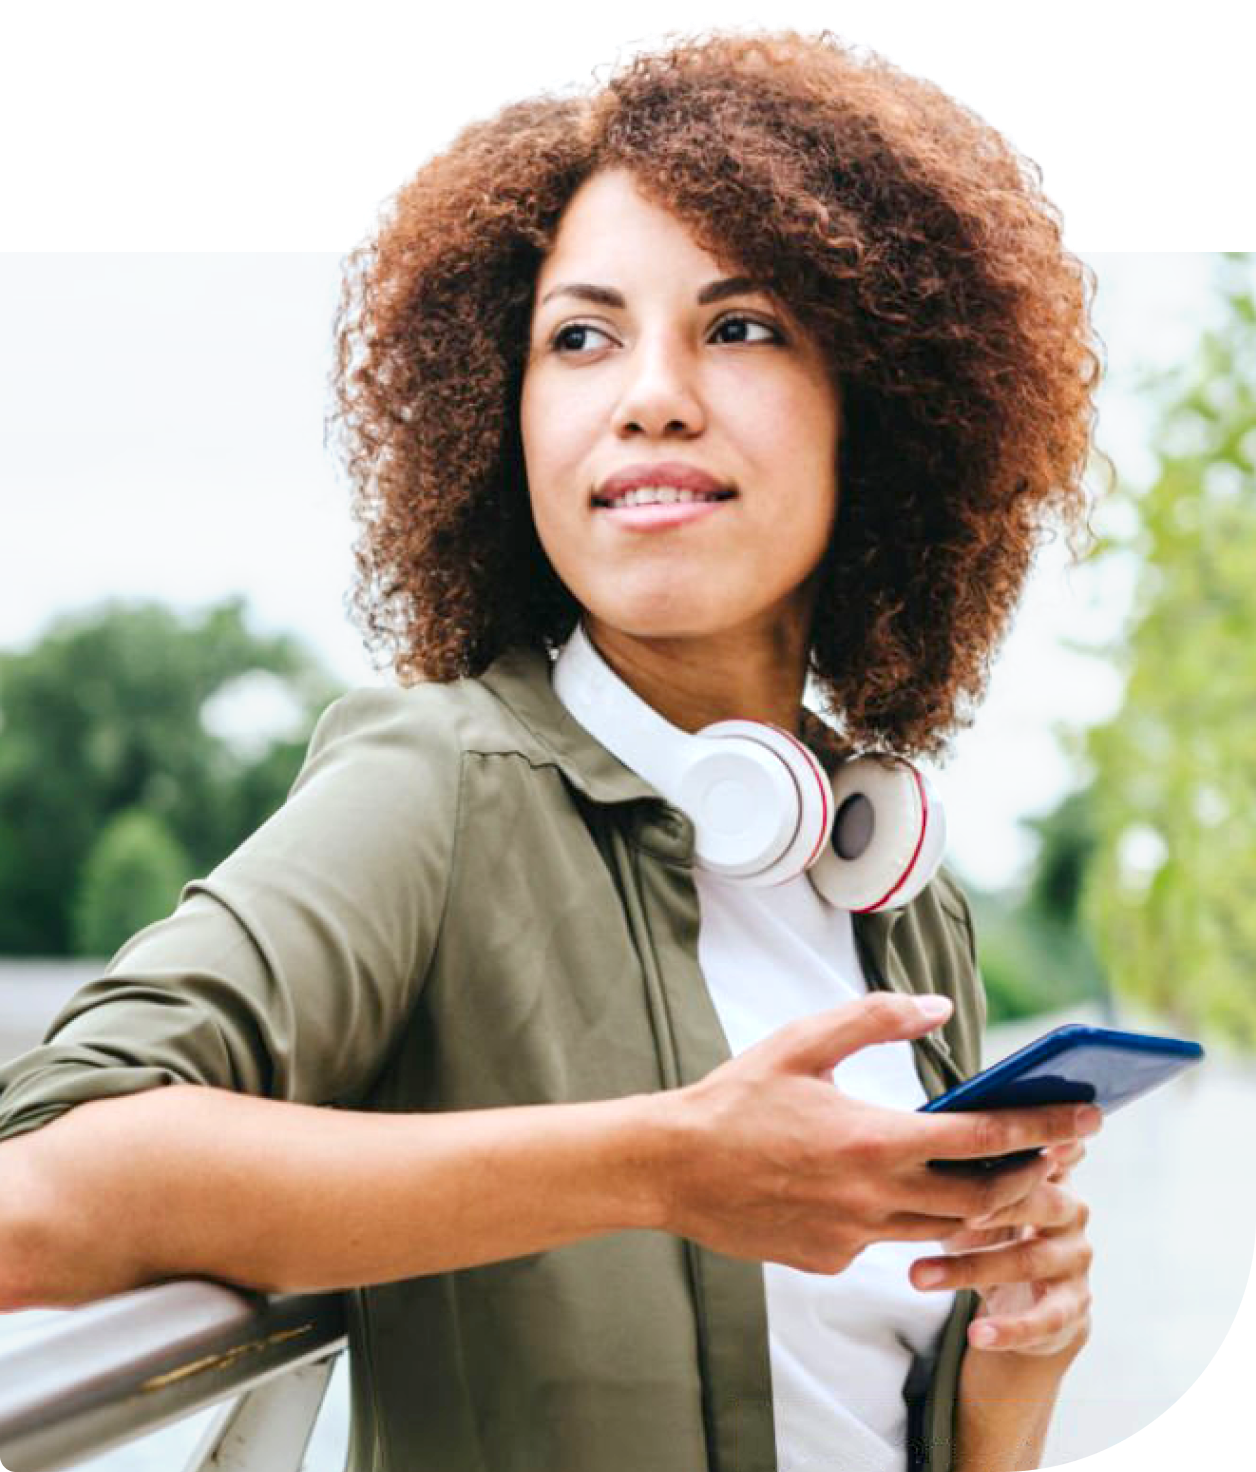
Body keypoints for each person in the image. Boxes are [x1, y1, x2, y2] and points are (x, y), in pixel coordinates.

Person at [0, 16, 1108, 1472]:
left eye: (742, 325)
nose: (647, 392)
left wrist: (1015, 1368)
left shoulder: (897, 894)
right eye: (579, 336)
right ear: (502, 414)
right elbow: (35, 1189)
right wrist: (662, 1168)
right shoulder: (436, 786)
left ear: (883, 410)